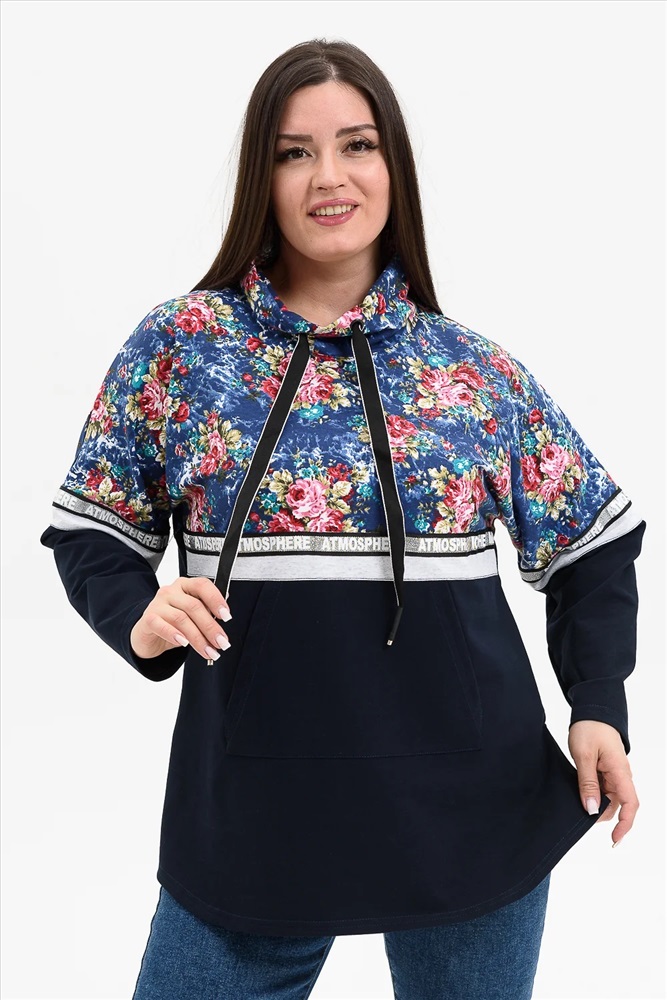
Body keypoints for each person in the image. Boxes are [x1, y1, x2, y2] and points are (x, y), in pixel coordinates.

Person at [40, 38, 645, 1000]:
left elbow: (591, 544)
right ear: (262, 175)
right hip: (252, 818)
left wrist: (597, 703)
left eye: (356, 145)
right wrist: (138, 616)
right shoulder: (182, 347)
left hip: (473, 815)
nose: (329, 176)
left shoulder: (471, 369)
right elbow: (92, 532)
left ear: (392, 166)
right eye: (294, 152)